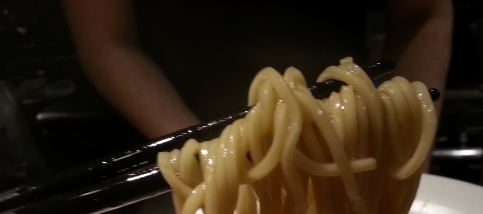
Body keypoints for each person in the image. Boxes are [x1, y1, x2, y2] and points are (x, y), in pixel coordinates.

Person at [62, 0, 453, 141]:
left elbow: (423, 14)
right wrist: (212, 156)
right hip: (187, 140)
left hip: (348, 142)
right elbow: (108, 44)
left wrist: (406, 145)